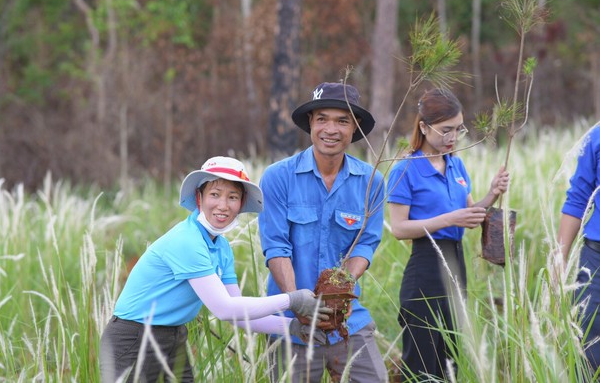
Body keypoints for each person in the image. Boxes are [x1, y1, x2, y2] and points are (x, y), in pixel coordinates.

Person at [99, 156, 332, 383]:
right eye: (214, 195)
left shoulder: (221, 248)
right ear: (199, 198)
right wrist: (291, 300)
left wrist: (292, 327)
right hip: (134, 337)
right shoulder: (187, 240)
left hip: (173, 335)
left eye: (233, 197)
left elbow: (239, 315)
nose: (223, 205)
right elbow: (224, 309)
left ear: (241, 204)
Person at [259, 82, 388, 382]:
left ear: (354, 128)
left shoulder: (371, 181)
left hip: (347, 321)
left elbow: (366, 244)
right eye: (322, 119)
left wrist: (339, 290)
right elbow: (276, 247)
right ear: (310, 124)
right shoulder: (278, 177)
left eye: (342, 121)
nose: (331, 129)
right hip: (291, 324)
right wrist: (298, 301)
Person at [386, 88, 509, 380]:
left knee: (452, 357)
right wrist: (448, 219)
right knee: (423, 360)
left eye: (458, 129)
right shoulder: (406, 169)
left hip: (457, 265)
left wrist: (491, 194)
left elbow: (469, 212)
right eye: (445, 130)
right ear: (424, 127)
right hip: (426, 268)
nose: (453, 137)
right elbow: (399, 229)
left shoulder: (456, 164)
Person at [556, 123, 600, 374]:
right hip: (594, 262)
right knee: (587, 349)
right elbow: (578, 198)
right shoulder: (596, 137)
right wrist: (560, 257)